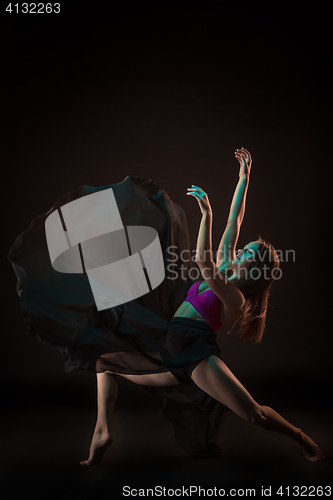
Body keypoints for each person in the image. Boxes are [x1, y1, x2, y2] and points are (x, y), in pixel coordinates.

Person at [80, 148, 324, 465]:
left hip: (196, 355)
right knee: (104, 362)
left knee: (253, 414)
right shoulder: (226, 267)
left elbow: (201, 261)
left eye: (247, 252)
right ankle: (102, 433)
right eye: (245, 247)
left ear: (253, 271)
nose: (240, 250)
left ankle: (299, 436)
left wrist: (206, 216)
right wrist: (244, 177)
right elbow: (235, 218)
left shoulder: (235, 297)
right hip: (169, 347)